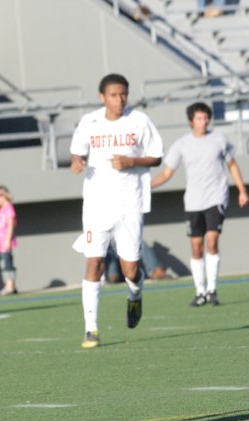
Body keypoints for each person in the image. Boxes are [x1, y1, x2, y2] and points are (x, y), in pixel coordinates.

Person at [69, 73, 163, 349]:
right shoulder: (90, 121)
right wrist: (77, 163)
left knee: (131, 269)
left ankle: (135, 294)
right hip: (96, 205)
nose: (120, 99)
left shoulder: (139, 120)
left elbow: (156, 155)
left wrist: (132, 160)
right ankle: (91, 329)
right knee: (93, 263)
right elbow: (77, 153)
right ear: (102, 97)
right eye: (114, 94)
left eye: (123, 93)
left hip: (130, 204)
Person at [151, 101, 249, 306]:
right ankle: (200, 292)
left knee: (212, 242)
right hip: (193, 201)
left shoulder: (220, 138)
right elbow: (167, 172)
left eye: (206, 118)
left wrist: (242, 190)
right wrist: (147, 186)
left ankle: (212, 290)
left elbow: (232, 165)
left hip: (216, 197)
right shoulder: (181, 144)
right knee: (196, 247)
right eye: (199, 118)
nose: (203, 122)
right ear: (191, 121)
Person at [0, 184, 17, 295]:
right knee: (5, 264)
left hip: (6, 242)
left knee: (7, 264)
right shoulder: (1, 209)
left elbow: (10, 225)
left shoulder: (8, 208)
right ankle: (10, 285)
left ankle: (9, 287)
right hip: (1, 242)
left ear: (3, 196)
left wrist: (7, 240)